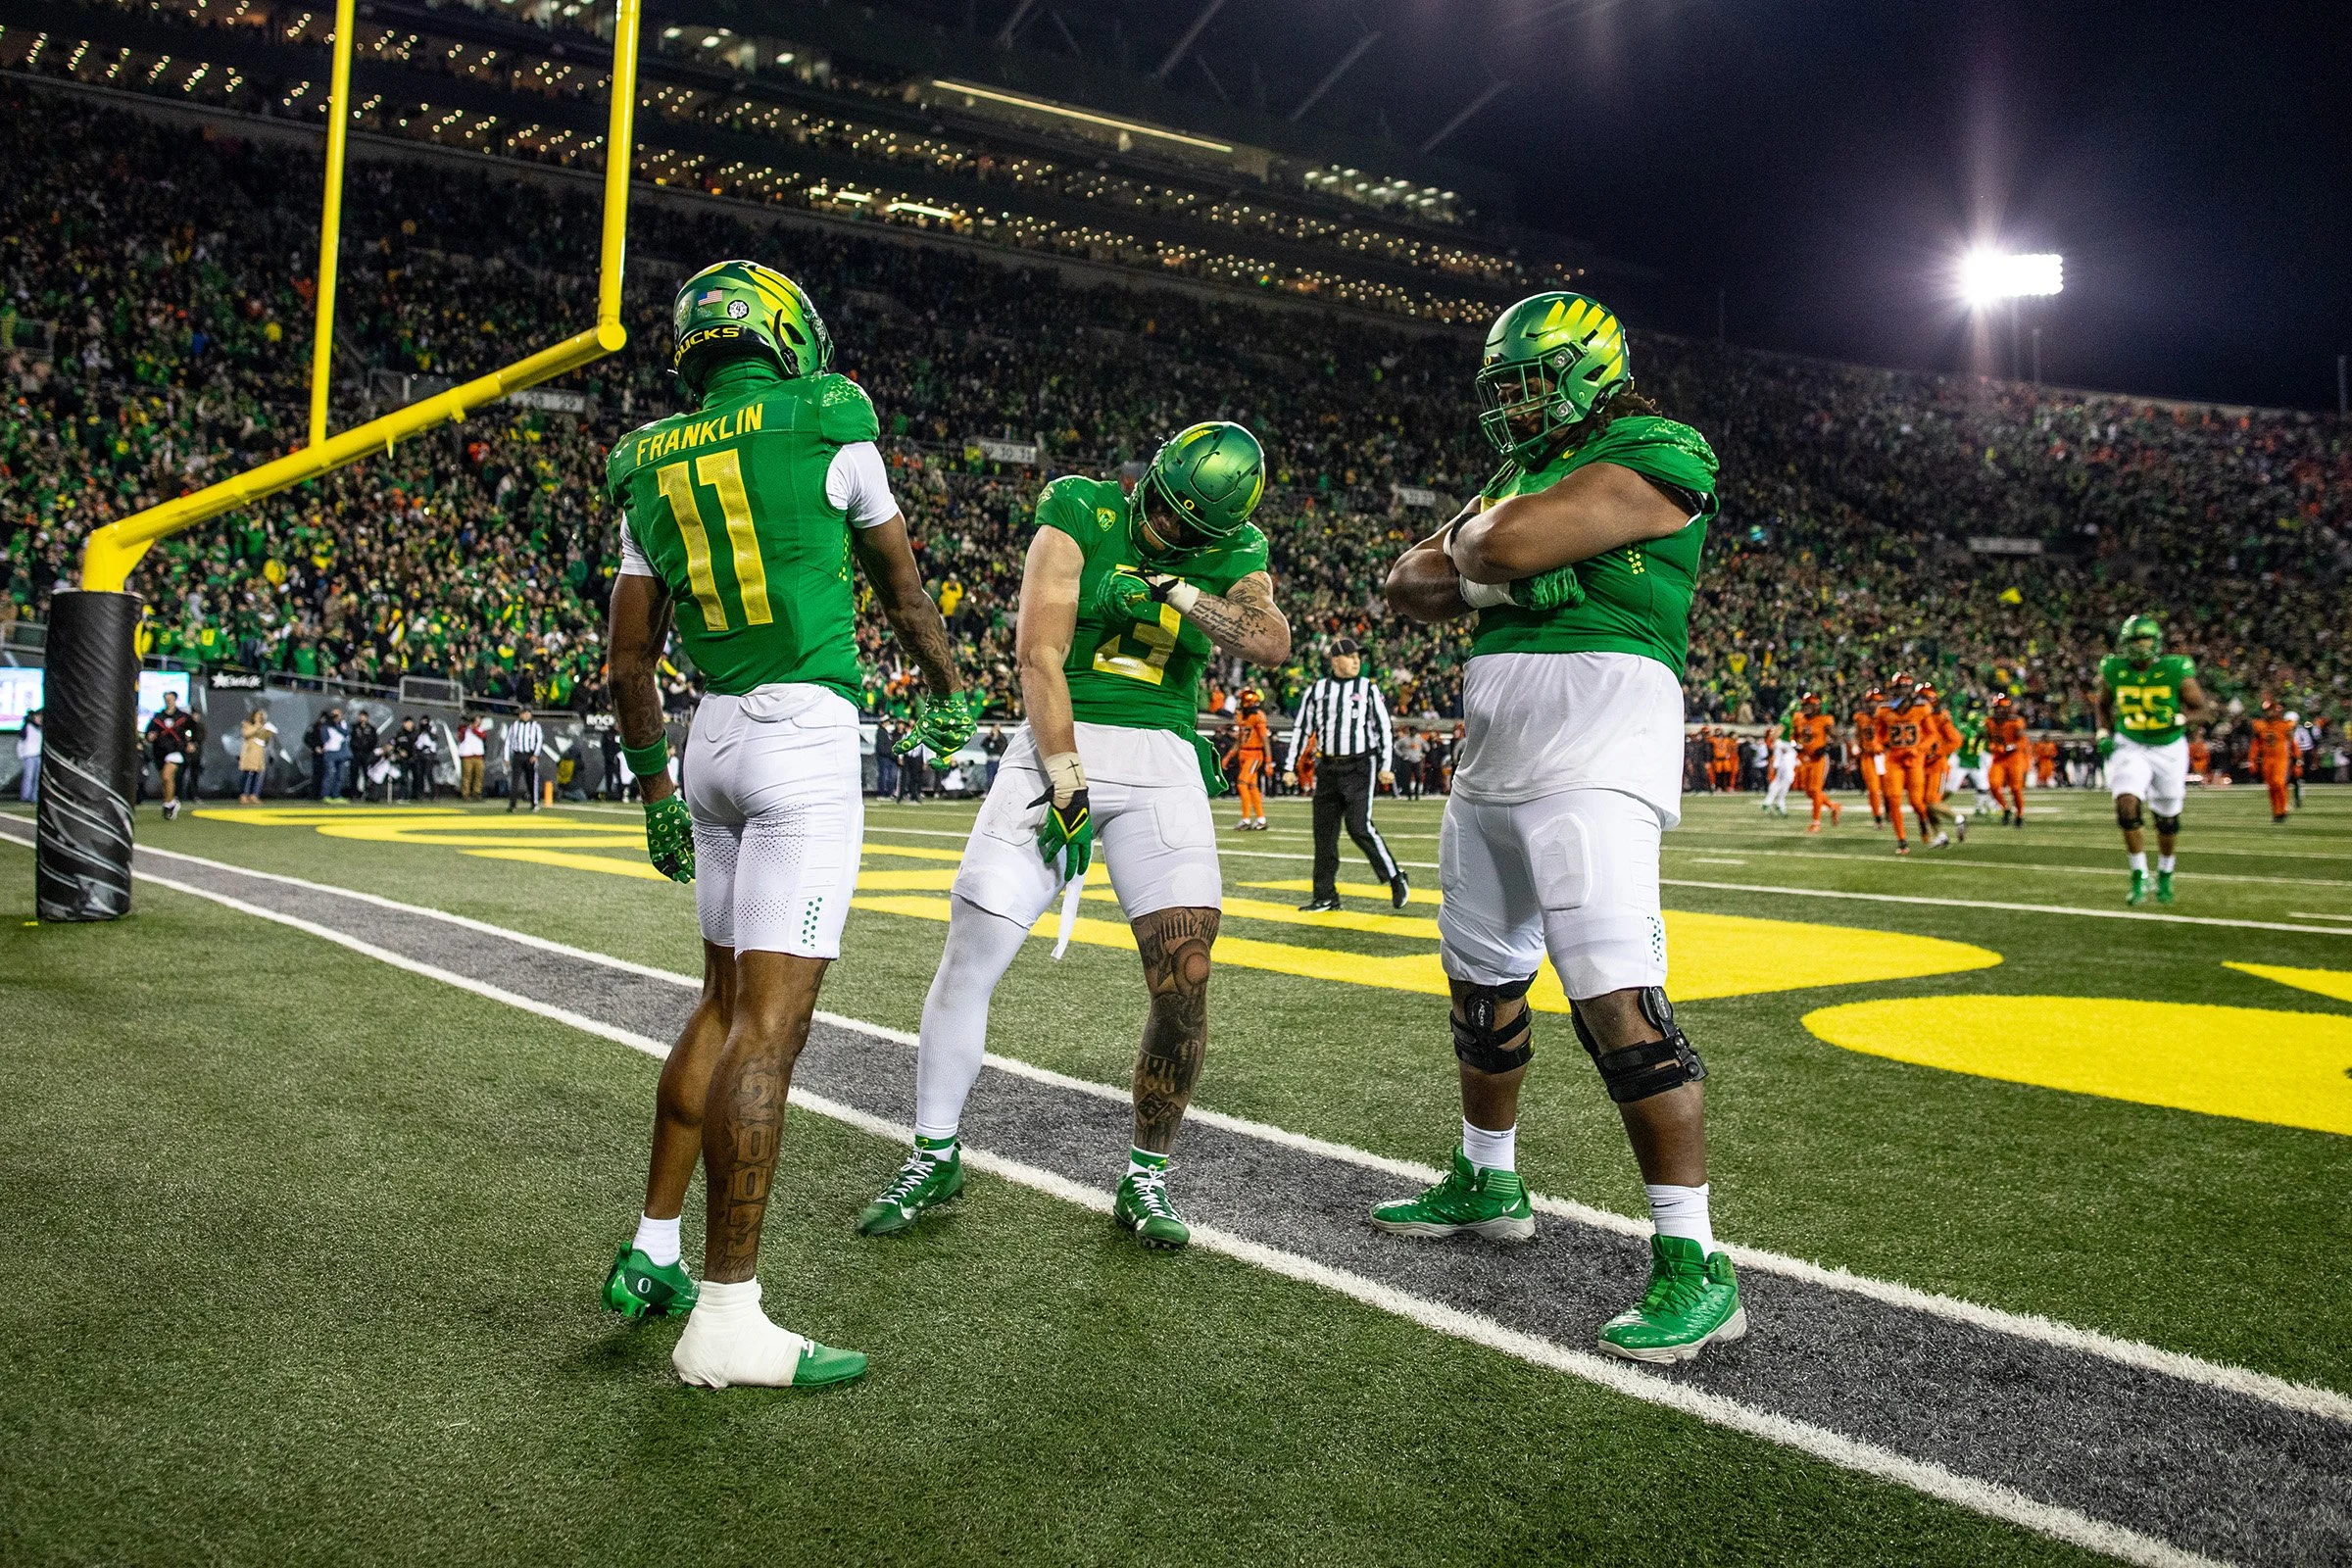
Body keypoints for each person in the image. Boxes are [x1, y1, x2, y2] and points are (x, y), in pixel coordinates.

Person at [600, 259, 971, 1389]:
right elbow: (903, 590)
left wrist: (656, 791)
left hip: (706, 739)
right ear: (778, 331)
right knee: (772, 1027)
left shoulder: (644, 460)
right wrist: (950, 687)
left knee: (719, 1003)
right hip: (803, 731)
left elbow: (626, 659)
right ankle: (726, 1319)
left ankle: (653, 1245)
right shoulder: (828, 412)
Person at [1378, 290, 1742, 1363]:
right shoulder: (1509, 474)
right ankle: (1488, 1175)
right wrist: (1499, 569)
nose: (1514, 405)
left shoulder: (1659, 445)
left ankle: (1696, 1261)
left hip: (1598, 748)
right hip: (1493, 758)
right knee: (1481, 987)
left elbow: (1513, 540)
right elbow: (1408, 582)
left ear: (1589, 371)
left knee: (1616, 1000)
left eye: (1530, 381)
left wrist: (1492, 561)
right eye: (1503, 388)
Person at [854, 419, 1289, 1253]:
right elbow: (1037, 656)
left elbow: (1270, 641)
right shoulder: (1081, 509)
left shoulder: (1238, 556)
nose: (1161, 527)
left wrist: (1167, 587)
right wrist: (1064, 775)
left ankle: (1146, 1178)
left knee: (1185, 977)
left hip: (1164, 759)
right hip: (1063, 738)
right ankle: (934, 1151)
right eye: (1158, 511)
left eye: (1184, 531)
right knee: (975, 943)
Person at [2095, 613, 2214, 906]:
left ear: (2156, 641)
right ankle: (2138, 875)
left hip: (2168, 748)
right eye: (2135, 640)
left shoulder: (2175, 669)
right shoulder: (2115, 668)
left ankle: (2165, 873)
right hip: (2131, 743)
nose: (2140, 646)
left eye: (2145, 639)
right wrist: (2102, 732)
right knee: (2126, 805)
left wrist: (2179, 717)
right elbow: (2103, 704)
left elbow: (2204, 711)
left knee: (2167, 819)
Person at [1285, 639, 1406, 910]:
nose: (1356, 661)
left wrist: (1387, 765)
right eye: (1350, 656)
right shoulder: (1317, 690)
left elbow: (1384, 727)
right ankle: (1325, 895)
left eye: (1357, 657)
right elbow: (1302, 728)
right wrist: (1289, 766)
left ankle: (1395, 878)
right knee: (1324, 834)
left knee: (1359, 826)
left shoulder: (1367, 688)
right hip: (1327, 767)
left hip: (1359, 765)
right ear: (1335, 660)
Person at [144, 689, 197, 820]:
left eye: (170, 699)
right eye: (166, 699)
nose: (168, 701)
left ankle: (168, 804)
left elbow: (194, 730)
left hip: (176, 750)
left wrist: (192, 742)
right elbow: (149, 732)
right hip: (160, 752)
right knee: (165, 780)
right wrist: (150, 736)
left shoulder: (183, 717)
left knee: (167, 776)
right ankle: (172, 802)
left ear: (175, 700)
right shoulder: (158, 718)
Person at [1790, 691, 1839, 831]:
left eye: (1809, 705)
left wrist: (1826, 748)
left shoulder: (1824, 720)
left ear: (1816, 706)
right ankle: (1833, 806)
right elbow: (1793, 737)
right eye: (1805, 705)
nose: (1806, 708)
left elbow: (1836, 737)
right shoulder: (1798, 718)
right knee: (1808, 791)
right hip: (1805, 758)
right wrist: (1796, 746)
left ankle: (1816, 822)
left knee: (1816, 789)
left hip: (1819, 759)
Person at [1231, 686, 1272, 829]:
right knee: (1252, 787)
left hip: (1255, 754)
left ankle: (1246, 819)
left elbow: (1265, 739)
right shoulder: (1241, 716)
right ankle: (1261, 819)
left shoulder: (1257, 716)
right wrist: (1230, 755)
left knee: (1242, 784)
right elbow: (1240, 739)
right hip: (1244, 753)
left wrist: (1268, 761)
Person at [1986, 695, 2030, 826]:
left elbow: (2022, 740)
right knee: (1993, 785)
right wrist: (1994, 746)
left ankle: (2020, 814)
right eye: (1997, 708)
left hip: (2014, 758)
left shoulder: (2016, 721)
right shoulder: (1989, 721)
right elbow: (1989, 739)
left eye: (2001, 708)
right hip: (1999, 758)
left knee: (2016, 788)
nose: (1999, 711)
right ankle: (2005, 808)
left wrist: (2011, 747)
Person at [2249, 697, 2294, 824]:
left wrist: (2298, 759)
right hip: (2267, 759)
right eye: (2266, 710)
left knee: (2279, 782)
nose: (2268, 713)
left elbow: (2292, 743)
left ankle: (2283, 808)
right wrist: (2252, 760)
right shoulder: (2260, 725)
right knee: (2271, 786)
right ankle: (2276, 812)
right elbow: (2256, 744)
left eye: (2270, 710)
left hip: (2281, 758)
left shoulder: (2284, 725)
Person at [1851, 688, 1888, 826]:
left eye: (1876, 702)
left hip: (1884, 755)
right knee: (1873, 789)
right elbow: (1857, 735)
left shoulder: (1887, 715)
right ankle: (1877, 817)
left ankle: (1889, 811)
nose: (1873, 705)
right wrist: (1856, 746)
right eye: (1870, 702)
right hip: (1868, 756)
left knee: (1888, 790)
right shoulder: (1861, 717)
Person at [506, 708, 542, 811]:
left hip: (530, 756)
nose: (526, 715)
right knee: (515, 780)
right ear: (520, 714)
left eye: (528, 713)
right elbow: (508, 741)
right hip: (518, 755)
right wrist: (506, 757)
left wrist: (535, 755)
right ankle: (512, 804)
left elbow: (539, 740)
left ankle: (534, 803)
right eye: (524, 713)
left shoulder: (535, 726)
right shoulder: (514, 726)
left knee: (531, 780)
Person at [1759, 721, 1796, 816]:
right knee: (1787, 778)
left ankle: (1769, 802)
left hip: (1785, 758)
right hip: (1783, 759)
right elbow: (1775, 736)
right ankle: (1778, 802)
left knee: (1780, 780)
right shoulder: (1786, 722)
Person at [237, 708, 273, 804]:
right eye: (258, 715)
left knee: (258, 776)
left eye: (261, 715)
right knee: (247, 774)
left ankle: (254, 795)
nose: (259, 717)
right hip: (249, 753)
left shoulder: (263, 727)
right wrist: (257, 727)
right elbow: (246, 734)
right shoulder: (247, 724)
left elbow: (265, 740)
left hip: (259, 754)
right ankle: (244, 795)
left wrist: (268, 733)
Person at [316, 707, 350, 802]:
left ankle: (336, 795)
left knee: (340, 775)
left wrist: (337, 725)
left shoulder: (343, 725)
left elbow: (346, 733)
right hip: (330, 753)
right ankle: (325, 795)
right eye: (334, 715)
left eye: (338, 715)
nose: (337, 717)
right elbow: (324, 738)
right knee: (329, 774)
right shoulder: (326, 726)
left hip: (341, 752)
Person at [457, 714, 489, 800]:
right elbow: (460, 737)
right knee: (466, 776)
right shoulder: (465, 729)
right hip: (467, 755)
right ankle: (465, 794)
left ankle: (477, 793)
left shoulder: (481, 729)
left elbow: (482, 735)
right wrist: (466, 727)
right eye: (476, 720)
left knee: (479, 775)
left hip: (478, 755)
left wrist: (472, 728)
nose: (478, 722)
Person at [349, 710, 379, 802]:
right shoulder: (354, 727)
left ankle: (368, 794)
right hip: (356, 754)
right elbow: (350, 740)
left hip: (367, 754)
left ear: (367, 717)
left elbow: (374, 740)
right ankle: (353, 794)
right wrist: (356, 746)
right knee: (354, 774)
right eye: (360, 716)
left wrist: (367, 747)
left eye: (364, 717)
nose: (362, 719)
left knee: (368, 774)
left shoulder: (371, 729)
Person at [15, 706, 39, 803]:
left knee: (37, 777)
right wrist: (21, 754)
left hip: (38, 755)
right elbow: (21, 740)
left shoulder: (40, 728)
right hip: (29, 755)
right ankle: (26, 796)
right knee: (28, 776)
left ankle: (35, 797)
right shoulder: (28, 727)